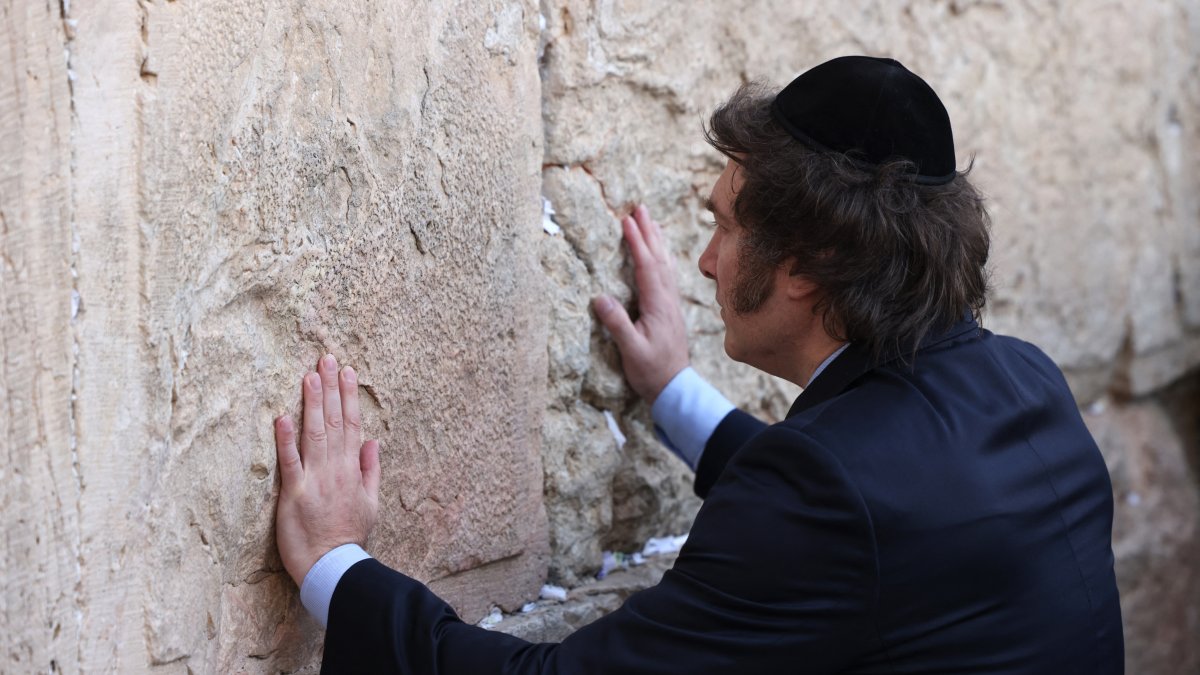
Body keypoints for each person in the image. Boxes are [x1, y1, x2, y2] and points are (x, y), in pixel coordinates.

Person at [272, 56, 1124, 673]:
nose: (709, 260)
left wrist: (336, 566)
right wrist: (673, 390)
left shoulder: (826, 494)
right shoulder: (1022, 381)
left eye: (726, 224)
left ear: (807, 265)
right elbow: (871, 511)